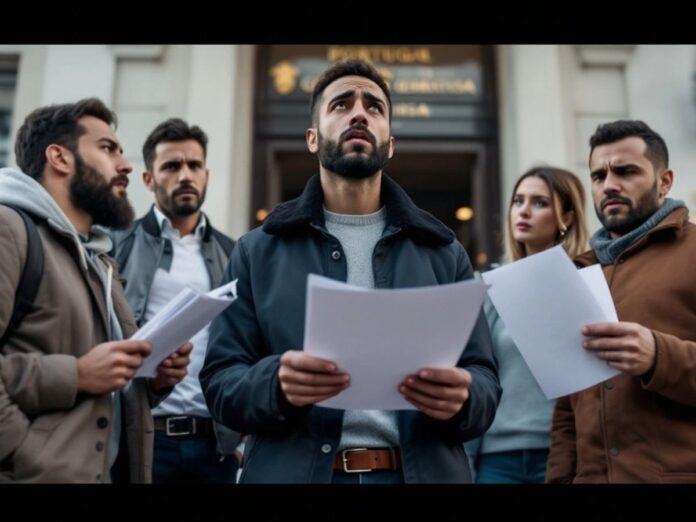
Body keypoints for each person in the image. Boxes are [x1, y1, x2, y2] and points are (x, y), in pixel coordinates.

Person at [200, 59, 501, 484]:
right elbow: (220, 383)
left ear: (390, 143)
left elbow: (485, 380)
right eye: (341, 105)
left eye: (374, 107)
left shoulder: (443, 252)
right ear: (312, 138)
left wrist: (465, 396)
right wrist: (276, 383)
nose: (359, 113)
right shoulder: (257, 250)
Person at [0, 98, 191, 483]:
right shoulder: (9, 230)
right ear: (59, 157)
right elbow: (85, 374)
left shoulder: (100, 259)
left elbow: (105, 386)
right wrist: (76, 376)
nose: (125, 166)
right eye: (107, 149)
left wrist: (151, 379)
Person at [546, 120, 696, 483]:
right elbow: (568, 408)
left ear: (665, 182)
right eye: (598, 176)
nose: (609, 185)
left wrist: (658, 356)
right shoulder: (577, 272)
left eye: (626, 171)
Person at [110, 118, 242, 483]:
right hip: (144, 437)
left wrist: (239, 433)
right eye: (171, 166)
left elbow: (243, 342)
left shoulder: (233, 253)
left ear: (206, 174)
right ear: (149, 180)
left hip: (215, 445)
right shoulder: (115, 246)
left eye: (194, 165)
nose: (185, 175)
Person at [465, 166, 589, 483]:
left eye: (539, 202)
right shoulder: (490, 286)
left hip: (565, 453)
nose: (523, 210)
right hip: (497, 458)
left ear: (569, 218)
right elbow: (475, 373)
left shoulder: (588, 285)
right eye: (518, 200)